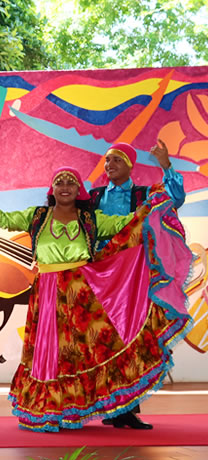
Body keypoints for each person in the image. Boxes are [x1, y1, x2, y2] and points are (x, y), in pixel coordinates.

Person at [0, 167, 192, 432]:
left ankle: (102, 409)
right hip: (49, 293)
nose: (65, 186)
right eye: (59, 182)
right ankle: (50, 408)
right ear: (52, 189)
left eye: (70, 182)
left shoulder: (91, 218)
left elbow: (129, 225)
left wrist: (154, 204)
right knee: (51, 354)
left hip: (84, 295)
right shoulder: (37, 216)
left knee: (89, 350)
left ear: (79, 190)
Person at [89, 141, 185, 429]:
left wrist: (166, 165)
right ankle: (109, 405)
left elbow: (175, 199)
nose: (110, 165)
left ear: (130, 165)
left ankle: (127, 408)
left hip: (132, 276)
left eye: (116, 160)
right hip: (100, 275)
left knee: (131, 339)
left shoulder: (143, 195)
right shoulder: (93, 197)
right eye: (107, 161)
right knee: (103, 341)